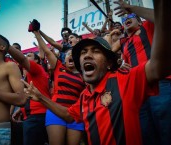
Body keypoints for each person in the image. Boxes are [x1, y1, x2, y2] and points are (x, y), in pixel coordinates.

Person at [22, 1, 171, 144]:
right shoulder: (84, 96)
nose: (87, 55)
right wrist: (40, 97)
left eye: (95, 51)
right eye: (83, 52)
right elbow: (68, 115)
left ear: (109, 63)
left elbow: (159, 65)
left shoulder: (125, 79)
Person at [113, 1, 171, 145]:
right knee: (145, 132)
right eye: (123, 19)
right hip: (139, 89)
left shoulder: (148, 27)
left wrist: (132, 8)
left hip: (159, 82)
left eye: (130, 16)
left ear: (139, 21)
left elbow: (161, 17)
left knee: (165, 127)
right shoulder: (125, 44)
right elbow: (115, 59)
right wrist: (121, 64)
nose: (126, 19)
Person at [31, 30, 85, 145]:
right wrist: (36, 32)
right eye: (68, 54)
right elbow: (46, 50)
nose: (70, 55)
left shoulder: (84, 75)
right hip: (55, 112)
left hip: (75, 115)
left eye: (74, 54)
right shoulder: (58, 66)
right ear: (64, 59)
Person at [8, 45, 50, 145]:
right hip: (30, 116)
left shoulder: (37, 69)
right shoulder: (25, 76)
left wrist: (5, 45)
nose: (26, 57)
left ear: (36, 61)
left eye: (29, 55)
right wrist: (20, 110)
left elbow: (21, 59)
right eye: (26, 55)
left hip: (37, 116)